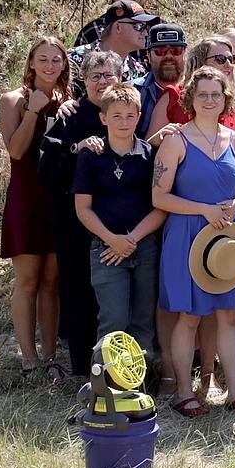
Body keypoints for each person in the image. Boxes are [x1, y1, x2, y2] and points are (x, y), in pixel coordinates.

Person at [152, 66, 235, 416]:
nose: (210, 100)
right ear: (191, 99)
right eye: (203, 95)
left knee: (229, 315)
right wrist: (202, 209)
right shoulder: (176, 141)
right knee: (190, 317)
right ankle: (184, 393)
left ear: (227, 99)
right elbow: (158, 197)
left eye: (216, 94)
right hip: (188, 237)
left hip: (227, 237)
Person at [39, 49, 119, 375]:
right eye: (95, 76)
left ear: (120, 78)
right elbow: (46, 169)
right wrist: (76, 148)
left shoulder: (129, 111)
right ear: (83, 81)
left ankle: (121, 363)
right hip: (74, 222)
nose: (102, 82)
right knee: (79, 287)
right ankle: (86, 368)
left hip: (119, 222)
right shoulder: (69, 117)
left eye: (108, 75)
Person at [73, 84, 165, 350]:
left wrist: (132, 239)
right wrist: (112, 239)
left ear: (138, 117)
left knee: (143, 320)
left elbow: (160, 207)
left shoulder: (150, 155)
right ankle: (107, 375)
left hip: (144, 246)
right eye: (116, 116)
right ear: (103, 118)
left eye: (129, 116)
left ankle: (141, 373)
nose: (123, 122)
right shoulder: (91, 156)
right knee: (114, 318)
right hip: (105, 249)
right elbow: (83, 208)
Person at [0, 37, 69, 382]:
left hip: (58, 200)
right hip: (26, 198)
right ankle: (29, 360)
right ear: (30, 63)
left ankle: (51, 356)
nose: (49, 66)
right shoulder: (13, 99)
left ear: (64, 64)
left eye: (56, 59)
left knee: (51, 282)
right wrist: (33, 110)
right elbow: (15, 151)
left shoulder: (68, 102)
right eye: (43, 59)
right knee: (28, 281)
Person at [150, 36, 235, 143]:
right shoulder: (174, 96)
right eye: (220, 59)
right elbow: (148, 147)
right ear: (200, 62)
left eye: (231, 59)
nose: (229, 65)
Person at [69, 0, 154, 95]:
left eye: (146, 27)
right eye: (139, 26)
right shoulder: (74, 60)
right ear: (117, 27)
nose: (145, 33)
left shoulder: (138, 71)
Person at [134, 23, 189, 134]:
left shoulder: (199, 91)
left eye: (176, 51)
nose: (169, 56)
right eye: (160, 51)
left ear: (185, 54)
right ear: (149, 56)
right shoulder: (133, 90)